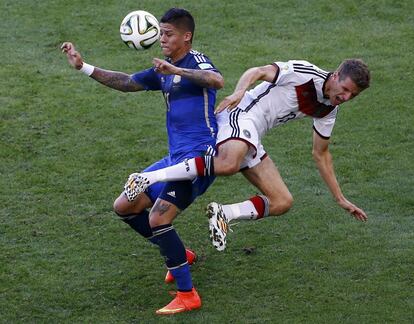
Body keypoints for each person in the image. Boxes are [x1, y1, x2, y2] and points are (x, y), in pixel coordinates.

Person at [61, 8, 223, 315]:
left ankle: (188, 294)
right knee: (124, 206)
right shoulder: (166, 68)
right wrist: (84, 67)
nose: (161, 39)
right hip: (175, 157)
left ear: (186, 36)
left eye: (168, 34)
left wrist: (176, 72)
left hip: (198, 159)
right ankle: (180, 254)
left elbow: (216, 80)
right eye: (160, 33)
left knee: (158, 219)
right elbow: (126, 82)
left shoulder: (194, 62)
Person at [127, 58, 370, 251]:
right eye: (346, 89)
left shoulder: (329, 109)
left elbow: (321, 154)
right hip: (240, 115)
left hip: (253, 135)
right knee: (228, 163)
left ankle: (225, 213)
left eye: (353, 95)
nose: (346, 97)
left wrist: (340, 199)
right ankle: (149, 178)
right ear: (336, 76)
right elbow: (258, 71)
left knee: (282, 201)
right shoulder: (305, 73)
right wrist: (238, 93)